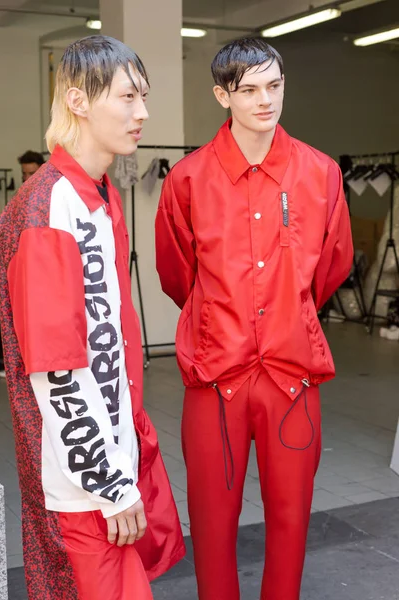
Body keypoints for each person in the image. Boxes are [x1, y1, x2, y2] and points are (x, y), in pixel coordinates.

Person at [155, 38, 353, 600]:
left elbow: (332, 266)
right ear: (223, 95)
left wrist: (288, 309)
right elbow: (177, 275)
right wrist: (222, 318)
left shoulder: (320, 174)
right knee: (212, 525)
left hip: (292, 375)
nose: (266, 100)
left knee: (291, 522)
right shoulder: (188, 180)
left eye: (275, 86)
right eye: (249, 90)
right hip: (217, 377)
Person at [0, 35, 184, 600]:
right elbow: (55, 371)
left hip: (105, 465)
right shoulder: (48, 206)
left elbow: (106, 343)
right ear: (78, 101)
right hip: (81, 490)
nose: (143, 113)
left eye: (143, 96)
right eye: (128, 97)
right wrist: (110, 484)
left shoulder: (96, 195)